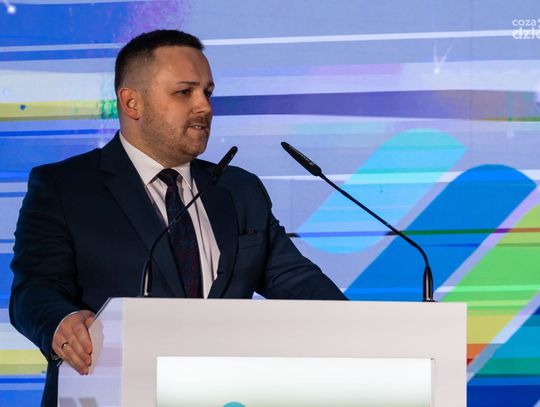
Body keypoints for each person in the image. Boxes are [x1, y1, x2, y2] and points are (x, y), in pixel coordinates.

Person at [9, 30, 347, 406]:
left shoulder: (239, 188)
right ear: (132, 102)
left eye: (208, 92)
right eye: (185, 92)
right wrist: (61, 322)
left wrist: (365, 328)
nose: (204, 107)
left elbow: (295, 280)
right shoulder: (64, 186)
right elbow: (33, 290)